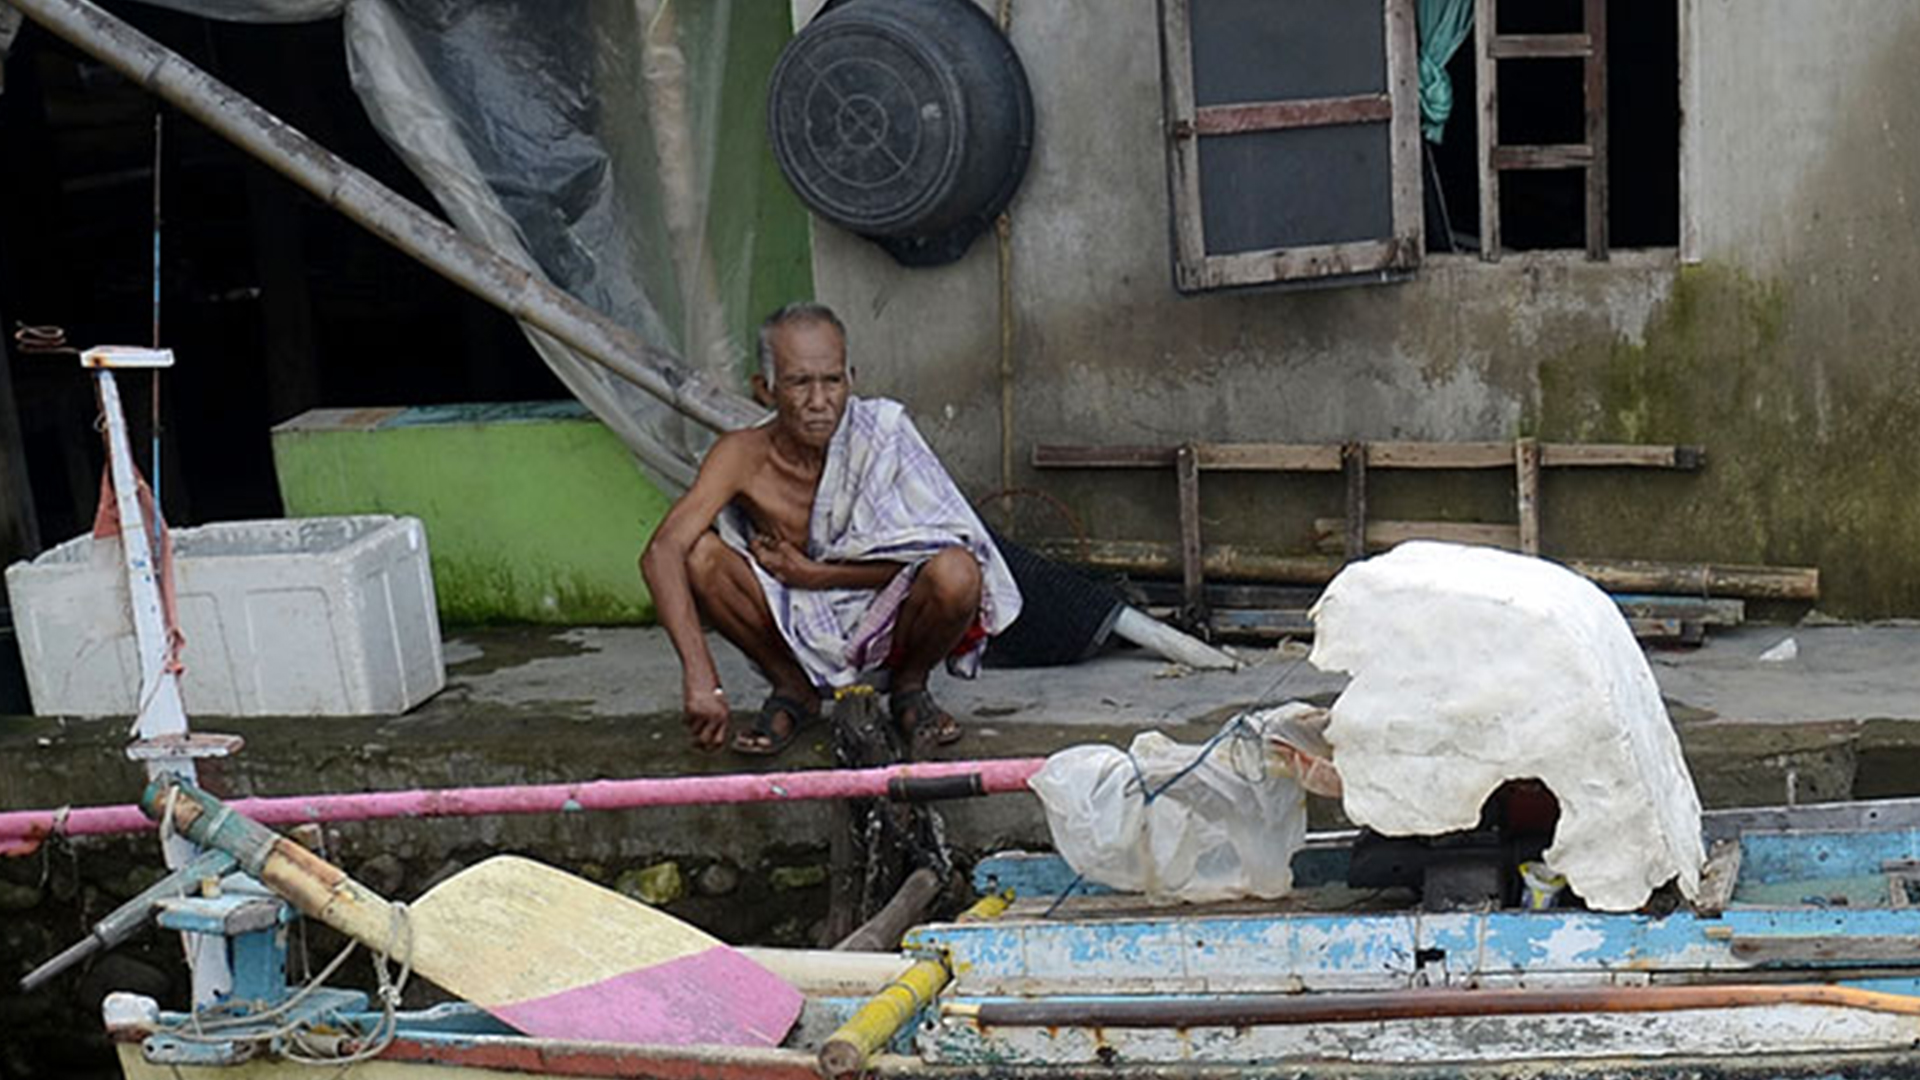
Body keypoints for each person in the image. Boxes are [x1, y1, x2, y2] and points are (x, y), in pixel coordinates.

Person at [640, 302, 1021, 757]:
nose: (819, 402)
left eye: (832, 381)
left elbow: (939, 553)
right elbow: (662, 550)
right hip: (789, 610)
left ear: (851, 380)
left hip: (884, 603)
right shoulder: (741, 455)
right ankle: (792, 689)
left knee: (958, 572)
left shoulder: (883, 432)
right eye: (800, 383)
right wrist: (701, 676)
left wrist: (817, 574)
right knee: (699, 556)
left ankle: (910, 688)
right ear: (766, 389)